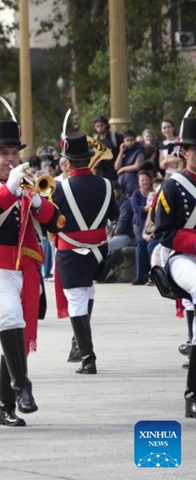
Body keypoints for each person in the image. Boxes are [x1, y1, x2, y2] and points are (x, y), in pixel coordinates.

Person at [0, 119, 63, 427]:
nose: (10, 159)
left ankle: (4, 406)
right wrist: (8, 190)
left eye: (14, 153)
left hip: (25, 270)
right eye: (4, 153)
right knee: (10, 316)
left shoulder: (27, 189)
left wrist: (37, 201)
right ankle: (23, 386)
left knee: (16, 332)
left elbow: (59, 223)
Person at [52, 132, 119, 375]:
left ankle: (87, 357)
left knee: (76, 301)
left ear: (68, 163)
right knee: (88, 293)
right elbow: (113, 215)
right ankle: (79, 345)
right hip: (98, 251)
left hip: (71, 252)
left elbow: (52, 221)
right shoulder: (106, 184)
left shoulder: (61, 188)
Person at [153, 117, 196, 419]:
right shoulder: (173, 187)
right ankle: (193, 393)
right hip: (183, 258)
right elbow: (164, 233)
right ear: (185, 152)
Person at [131, 169, 155, 285]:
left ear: (150, 181)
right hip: (139, 225)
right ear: (138, 182)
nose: (144, 182)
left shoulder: (154, 193)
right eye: (142, 180)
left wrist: (148, 208)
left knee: (150, 245)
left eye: (146, 180)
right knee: (140, 244)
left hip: (152, 225)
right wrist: (148, 207)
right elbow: (136, 209)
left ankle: (152, 274)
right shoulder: (136, 193)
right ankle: (140, 276)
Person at [114, 130, 146, 195]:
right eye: (127, 140)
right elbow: (117, 167)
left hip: (133, 180)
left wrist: (123, 169)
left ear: (135, 140)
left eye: (131, 140)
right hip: (122, 181)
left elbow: (137, 166)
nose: (129, 142)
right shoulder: (124, 151)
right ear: (124, 141)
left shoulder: (139, 151)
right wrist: (121, 152)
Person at [92, 115, 122, 181]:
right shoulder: (95, 139)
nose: (99, 128)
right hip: (100, 172)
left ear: (106, 125)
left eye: (101, 125)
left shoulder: (115, 137)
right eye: (97, 126)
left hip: (113, 173)